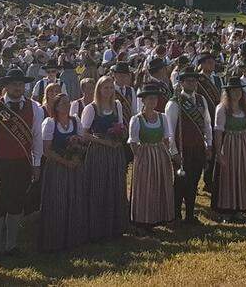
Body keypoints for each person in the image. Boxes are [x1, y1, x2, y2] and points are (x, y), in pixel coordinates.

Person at [0, 67, 42, 261]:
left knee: (16, 204)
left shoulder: (35, 107)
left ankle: (11, 245)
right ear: (5, 86)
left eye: (21, 84)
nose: (18, 87)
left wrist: (36, 163)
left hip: (22, 163)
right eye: (14, 84)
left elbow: (37, 138)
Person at [78, 76, 129, 241]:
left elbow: (120, 126)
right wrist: (103, 141)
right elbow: (84, 134)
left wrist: (120, 136)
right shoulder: (91, 108)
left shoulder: (117, 106)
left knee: (115, 185)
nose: (108, 91)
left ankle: (115, 226)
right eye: (105, 88)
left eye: (111, 88)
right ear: (98, 89)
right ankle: (97, 228)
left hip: (115, 151)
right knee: (98, 186)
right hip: (99, 151)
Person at [37, 92, 88, 253]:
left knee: (74, 198)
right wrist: (65, 161)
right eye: (62, 104)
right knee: (58, 200)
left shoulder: (75, 120)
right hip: (57, 168)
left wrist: (77, 157)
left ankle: (74, 237)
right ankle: (56, 239)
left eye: (68, 103)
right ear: (56, 107)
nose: (66, 106)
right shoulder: (50, 123)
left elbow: (81, 142)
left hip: (74, 167)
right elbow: (46, 150)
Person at [165, 69, 212, 224]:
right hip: (182, 149)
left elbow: (207, 124)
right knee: (180, 183)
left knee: (194, 182)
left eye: (194, 81)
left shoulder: (201, 100)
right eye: (188, 81)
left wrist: (209, 145)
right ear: (182, 83)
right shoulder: (174, 102)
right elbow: (170, 131)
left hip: (198, 148)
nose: (192, 83)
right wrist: (174, 152)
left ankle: (190, 215)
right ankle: (176, 214)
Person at [128, 83, 175, 226]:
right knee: (146, 187)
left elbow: (166, 138)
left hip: (160, 154)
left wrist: (162, 153)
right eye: (149, 99)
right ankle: (144, 218)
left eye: (155, 99)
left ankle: (161, 215)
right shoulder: (137, 119)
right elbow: (133, 142)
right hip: (144, 155)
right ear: (143, 101)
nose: (152, 102)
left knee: (161, 184)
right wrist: (141, 157)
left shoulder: (162, 117)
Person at [211, 77, 246, 214]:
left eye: (239, 90)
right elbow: (218, 132)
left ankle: (241, 206)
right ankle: (226, 208)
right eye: (233, 91)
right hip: (229, 144)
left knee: (242, 174)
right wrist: (219, 153)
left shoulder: (245, 108)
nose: (237, 93)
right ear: (228, 93)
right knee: (228, 175)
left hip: (243, 144)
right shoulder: (222, 109)